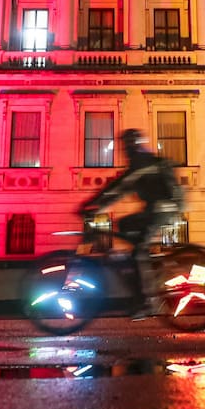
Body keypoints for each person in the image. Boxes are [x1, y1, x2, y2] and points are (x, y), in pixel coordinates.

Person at [79, 129, 185, 319]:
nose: (125, 150)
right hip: (159, 209)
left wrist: (91, 206)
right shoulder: (142, 163)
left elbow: (117, 188)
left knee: (138, 249)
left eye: (127, 146)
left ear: (133, 145)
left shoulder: (141, 163)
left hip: (163, 209)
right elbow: (120, 190)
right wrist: (97, 206)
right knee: (125, 224)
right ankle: (146, 270)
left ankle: (146, 301)